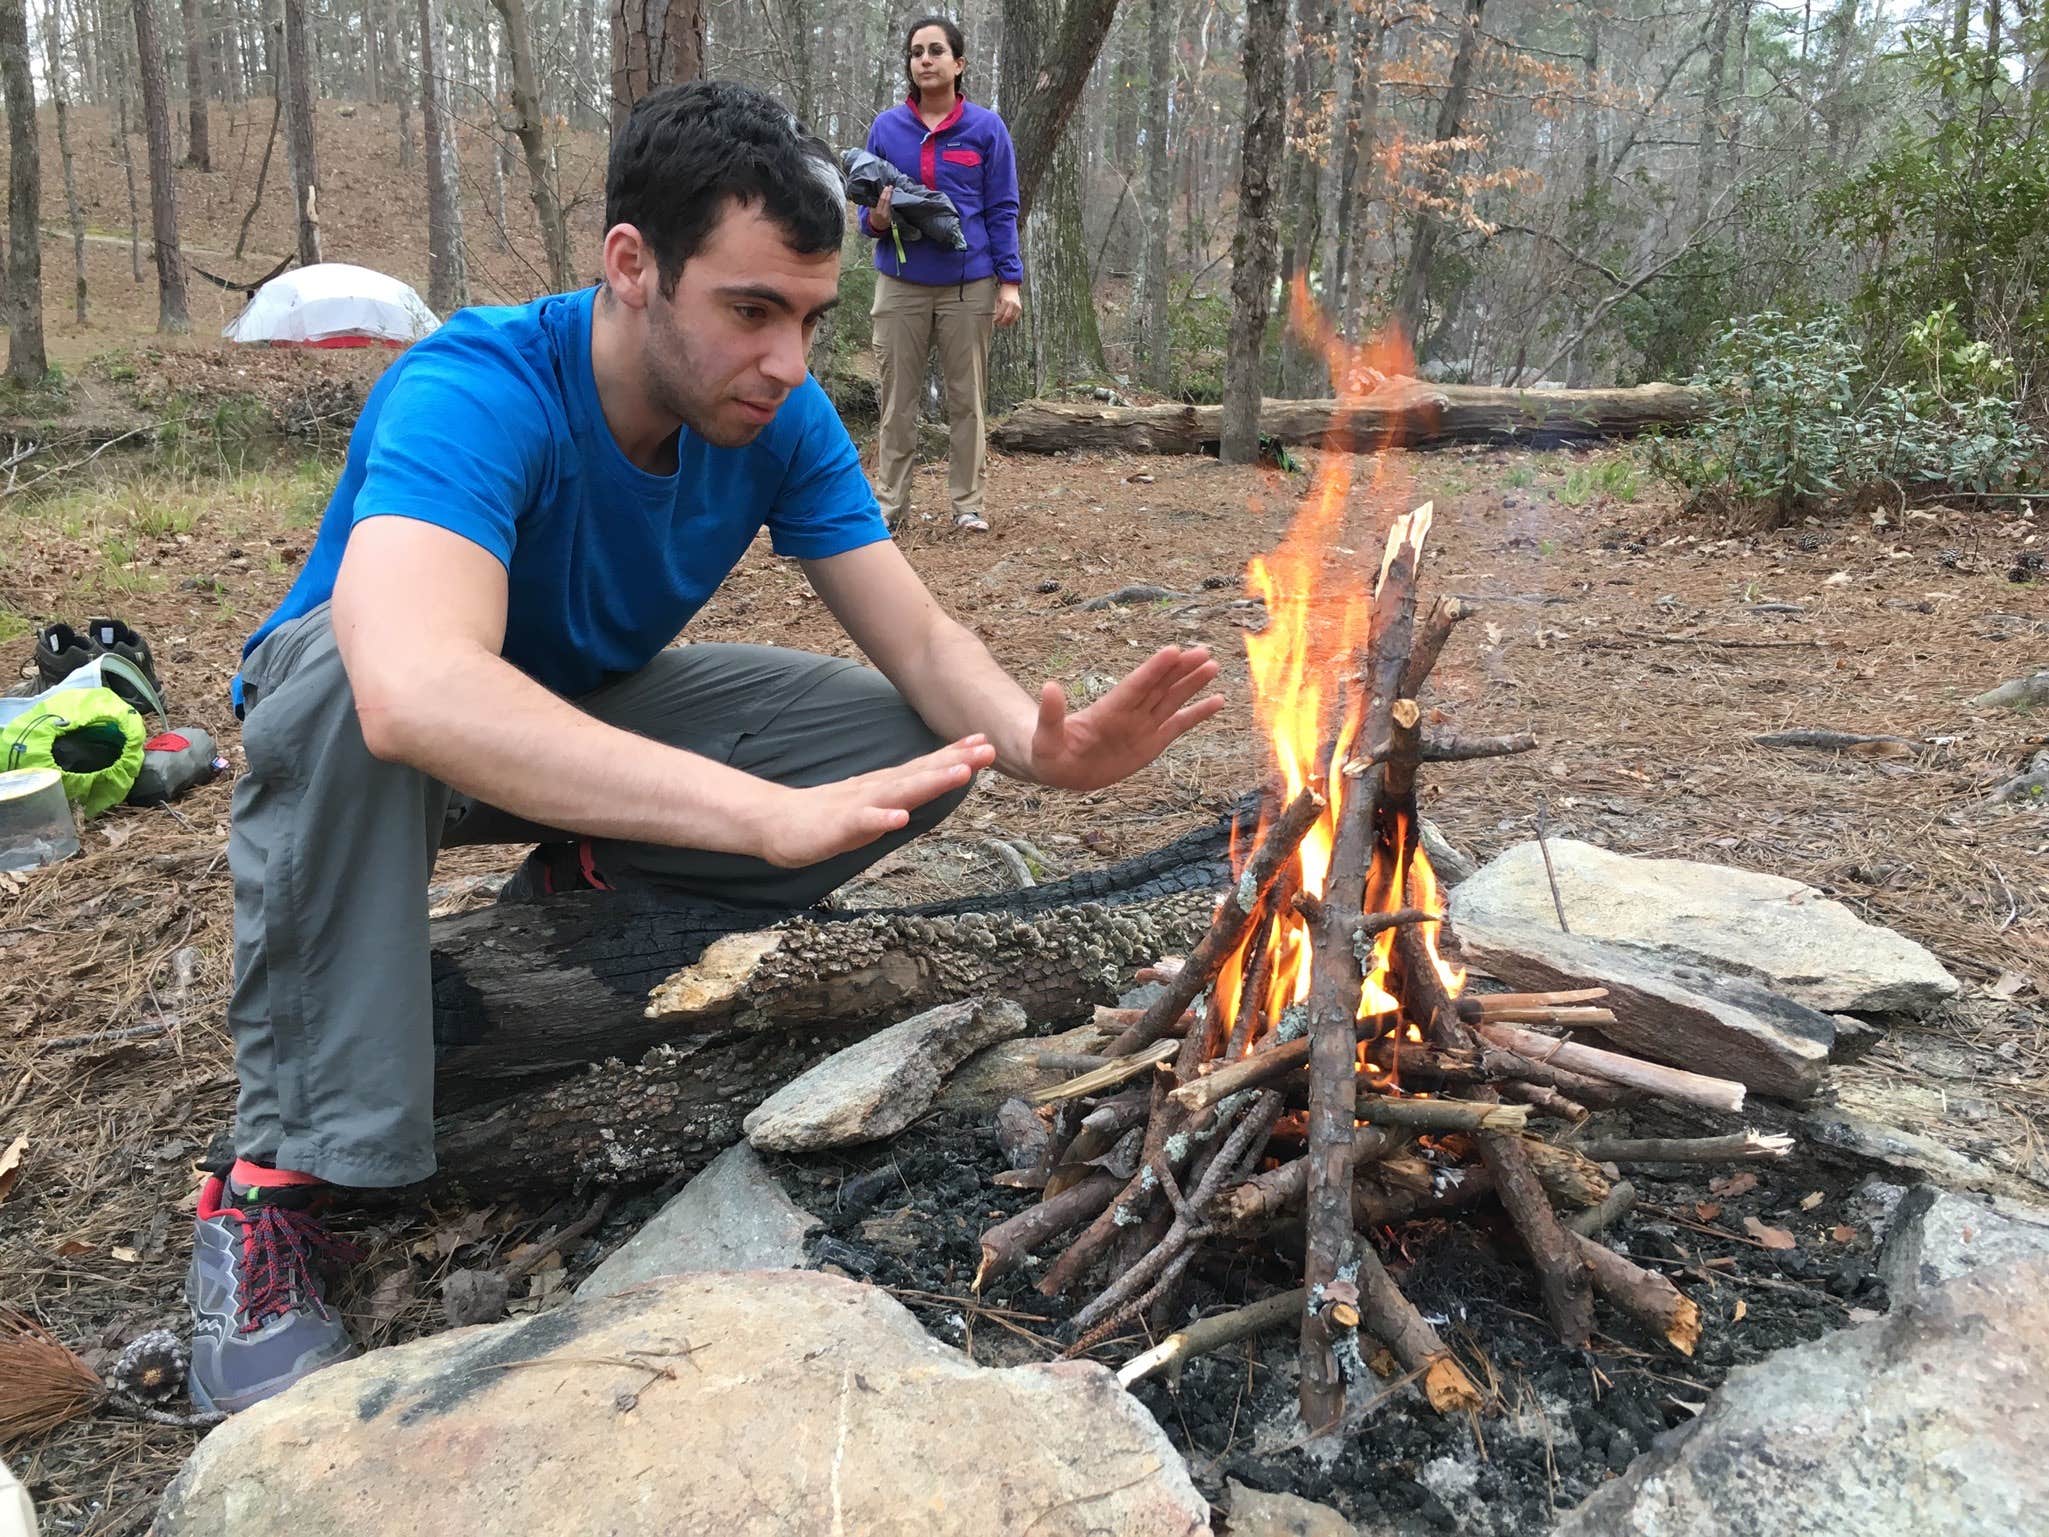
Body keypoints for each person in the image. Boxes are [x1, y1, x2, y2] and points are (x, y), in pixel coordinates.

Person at [184, 81, 1222, 1415]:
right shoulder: (476, 383)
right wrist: (748, 814)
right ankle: (269, 1184)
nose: (789, 359)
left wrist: (1037, 740)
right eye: (750, 310)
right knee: (342, 680)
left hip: (575, 711)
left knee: (912, 740)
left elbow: (917, 638)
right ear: (632, 266)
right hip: (373, 742)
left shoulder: (777, 418)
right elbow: (415, 694)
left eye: (810, 318)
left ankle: (573, 926)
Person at [861, 15, 1022, 534]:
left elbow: (1001, 209)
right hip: (900, 285)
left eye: (935, 51)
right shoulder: (887, 128)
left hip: (967, 286)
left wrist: (1010, 282)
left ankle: (968, 506)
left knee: (966, 401)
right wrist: (877, 219)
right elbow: (868, 210)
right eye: (916, 52)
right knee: (896, 402)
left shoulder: (986, 128)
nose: (924, 60)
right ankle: (889, 507)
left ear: (959, 63)